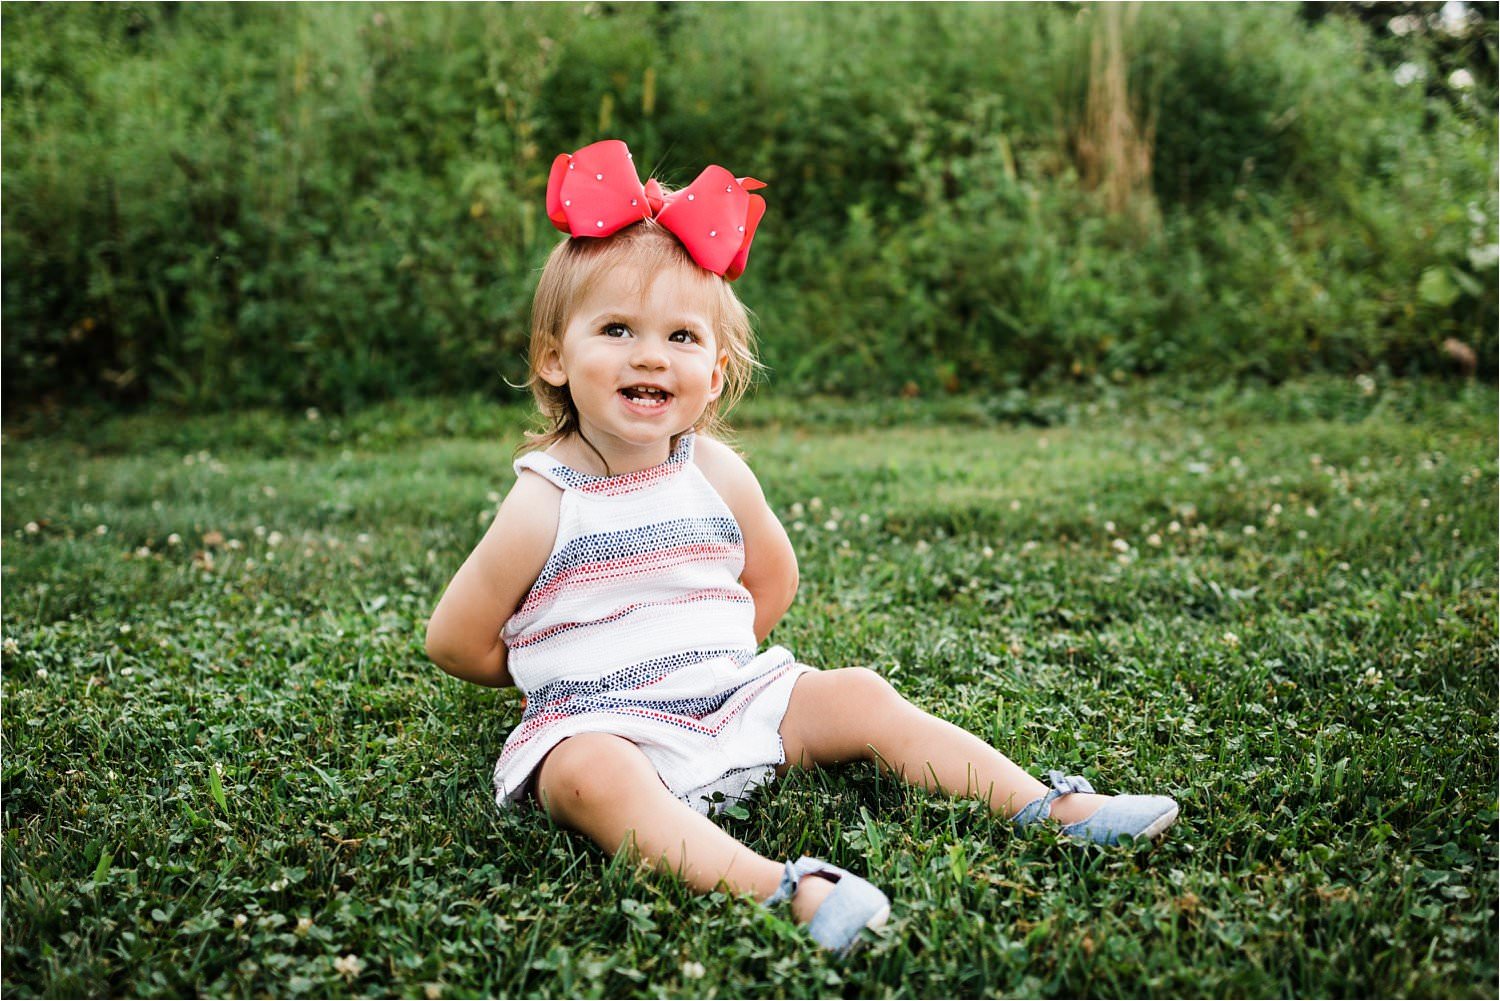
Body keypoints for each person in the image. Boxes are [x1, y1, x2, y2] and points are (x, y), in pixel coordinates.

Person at [425, 139, 1179, 954]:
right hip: (606, 725)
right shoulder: (545, 500)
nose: (650, 354)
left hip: (728, 698)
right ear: (554, 357)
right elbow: (456, 638)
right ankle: (787, 890)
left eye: (681, 337)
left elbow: (771, 576)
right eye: (616, 329)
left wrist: (711, 651)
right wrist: (556, 664)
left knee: (858, 691)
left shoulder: (714, 470)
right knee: (585, 777)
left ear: (714, 373)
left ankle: (1053, 806)